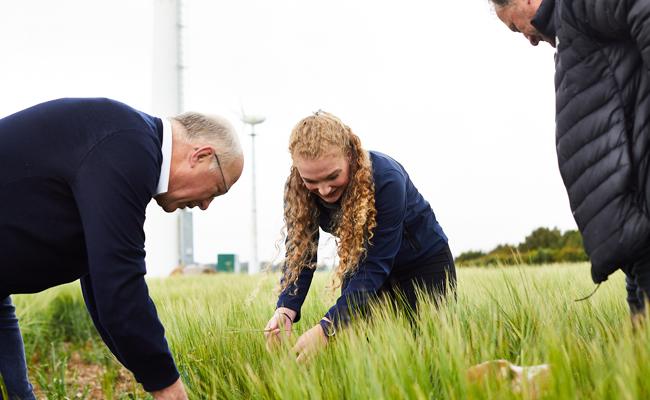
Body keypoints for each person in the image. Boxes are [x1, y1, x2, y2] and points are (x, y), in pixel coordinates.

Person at [0, 98, 243, 399]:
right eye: (217, 190)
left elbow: (103, 293)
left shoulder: (128, 144)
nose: (206, 205)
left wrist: (151, 374)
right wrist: (167, 386)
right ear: (202, 156)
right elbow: (118, 285)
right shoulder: (127, 147)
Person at [490, 0, 650, 318]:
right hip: (632, 226)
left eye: (514, 26)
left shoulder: (574, 5)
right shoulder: (569, 28)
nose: (528, 38)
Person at [263, 111, 456, 360]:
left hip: (422, 265)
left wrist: (327, 327)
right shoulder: (299, 189)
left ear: (351, 156)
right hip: (363, 265)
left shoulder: (387, 179)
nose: (323, 190)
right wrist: (286, 308)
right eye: (311, 180)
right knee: (362, 354)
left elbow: (377, 261)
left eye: (333, 176)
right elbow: (300, 252)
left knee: (429, 352)